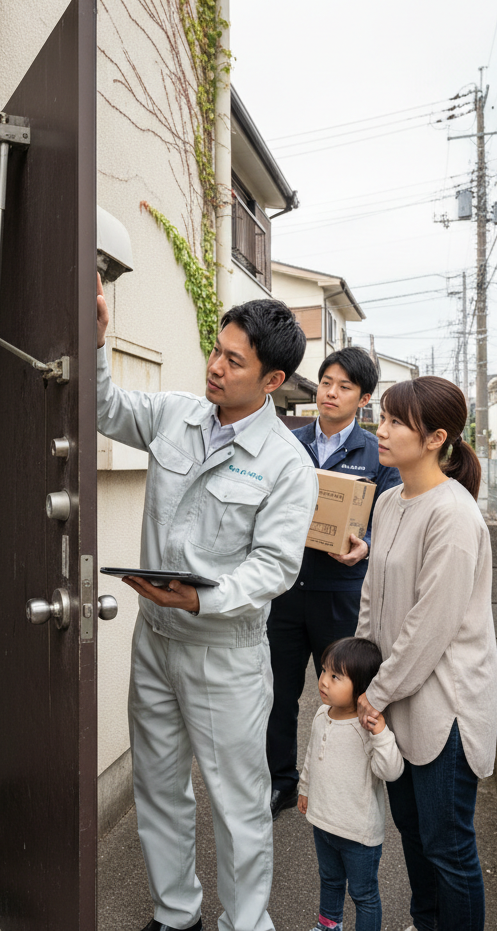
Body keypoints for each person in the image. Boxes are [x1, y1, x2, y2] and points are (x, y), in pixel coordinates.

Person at [96, 274, 319, 931]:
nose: (215, 367)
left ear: (272, 381)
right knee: (158, 790)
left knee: (239, 804)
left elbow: (275, 566)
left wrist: (201, 597)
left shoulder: (286, 465)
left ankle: (245, 925)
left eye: (234, 360)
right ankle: (176, 915)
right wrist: (97, 340)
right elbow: (103, 407)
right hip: (154, 640)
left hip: (223, 652)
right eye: (216, 350)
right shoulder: (175, 415)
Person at [355, 376, 497, 931]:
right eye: (383, 417)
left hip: (446, 706)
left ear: (436, 437)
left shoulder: (454, 515)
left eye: (394, 421)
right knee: (414, 837)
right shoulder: (390, 501)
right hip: (395, 695)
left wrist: (376, 692)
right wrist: (364, 674)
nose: (381, 430)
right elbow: (373, 596)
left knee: (448, 846)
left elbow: (428, 628)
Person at [266, 347, 401, 820]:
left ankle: (350, 785)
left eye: (344, 386)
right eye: (326, 382)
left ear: (363, 397)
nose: (331, 392)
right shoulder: (286, 442)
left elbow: (389, 519)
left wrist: (365, 545)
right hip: (282, 591)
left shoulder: (377, 453)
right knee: (277, 694)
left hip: (341, 595)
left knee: (347, 694)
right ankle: (279, 784)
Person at [297, 637, 404, 931]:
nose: (323, 682)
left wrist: (381, 733)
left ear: (361, 688)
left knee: (363, 895)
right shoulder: (321, 714)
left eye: (335, 676)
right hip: (324, 823)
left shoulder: (366, 727)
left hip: (358, 833)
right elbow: (310, 755)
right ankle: (329, 926)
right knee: (329, 881)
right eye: (323, 671)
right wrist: (304, 788)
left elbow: (391, 771)